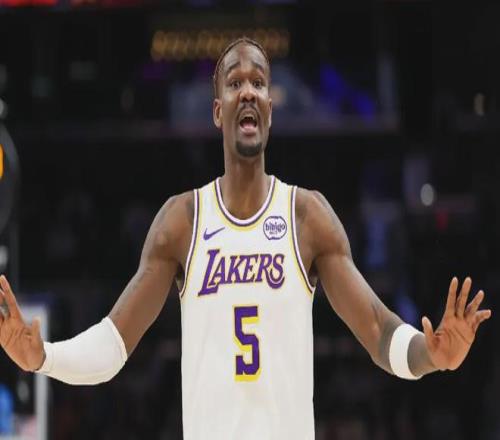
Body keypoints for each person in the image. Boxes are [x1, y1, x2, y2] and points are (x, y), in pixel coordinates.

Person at [0, 37, 492, 440]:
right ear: (219, 111)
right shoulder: (182, 221)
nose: (249, 91)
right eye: (235, 82)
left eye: (259, 81)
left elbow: (379, 331)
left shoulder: (307, 216)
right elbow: (113, 343)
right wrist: (45, 357)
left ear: (271, 110)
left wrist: (431, 356)